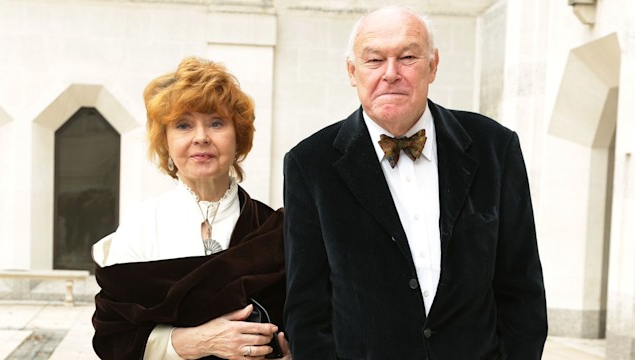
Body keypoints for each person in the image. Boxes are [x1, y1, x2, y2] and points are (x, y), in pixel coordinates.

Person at [282, 5, 547, 360]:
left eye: (407, 56)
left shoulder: (496, 148)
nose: (391, 74)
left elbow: (522, 289)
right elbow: (307, 311)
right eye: (374, 60)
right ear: (352, 70)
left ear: (433, 65)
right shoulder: (309, 164)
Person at [92, 57, 291, 360]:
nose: (201, 137)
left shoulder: (274, 230)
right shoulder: (140, 227)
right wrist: (198, 341)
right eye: (184, 125)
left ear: (238, 137)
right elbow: (113, 336)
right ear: (166, 142)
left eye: (216, 122)